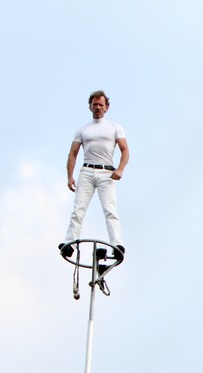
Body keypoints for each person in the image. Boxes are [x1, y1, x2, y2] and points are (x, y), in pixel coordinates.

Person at [59, 90, 129, 257]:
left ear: (107, 107)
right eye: (95, 104)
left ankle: (117, 244)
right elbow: (73, 153)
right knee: (78, 209)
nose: (98, 107)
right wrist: (70, 176)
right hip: (87, 171)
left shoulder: (114, 127)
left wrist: (120, 169)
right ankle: (69, 242)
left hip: (107, 173)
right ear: (90, 106)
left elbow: (125, 150)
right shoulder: (83, 129)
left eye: (101, 105)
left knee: (110, 210)